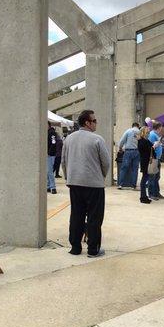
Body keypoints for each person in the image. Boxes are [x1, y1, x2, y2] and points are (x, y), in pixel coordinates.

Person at [62, 110, 110, 258]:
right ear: (87, 123)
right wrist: (101, 176)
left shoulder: (69, 139)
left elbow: (64, 161)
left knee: (76, 215)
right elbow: (106, 162)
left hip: (74, 183)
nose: (96, 123)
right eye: (94, 121)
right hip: (93, 184)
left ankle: (75, 247)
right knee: (94, 217)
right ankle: (93, 249)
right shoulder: (97, 139)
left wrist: (68, 177)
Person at [117, 122, 140, 189]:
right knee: (135, 169)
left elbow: (122, 141)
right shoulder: (140, 132)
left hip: (128, 151)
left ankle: (120, 184)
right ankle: (133, 185)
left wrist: (120, 148)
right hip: (137, 152)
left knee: (124, 168)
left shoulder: (128, 131)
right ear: (138, 126)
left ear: (132, 126)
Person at [148, 121, 164, 200]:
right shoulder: (152, 135)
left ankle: (156, 192)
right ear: (158, 127)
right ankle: (151, 194)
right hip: (154, 159)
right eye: (161, 127)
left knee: (157, 177)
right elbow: (151, 146)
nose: (161, 129)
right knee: (152, 177)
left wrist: (161, 144)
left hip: (157, 158)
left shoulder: (155, 134)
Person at [137, 126, 153, 204]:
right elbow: (145, 150)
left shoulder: (146, 140)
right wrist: (153, 147)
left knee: (146, 178)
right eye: (147, 132)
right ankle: (143, 197)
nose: (148, 134)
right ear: (143, 133)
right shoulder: (142, 141)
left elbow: (150, 147)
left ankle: (144, 196)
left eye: (149, 132)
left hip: (147, 161)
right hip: (145, 162)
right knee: (144, 179)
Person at [47, 122, 58, 194]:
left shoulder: (52, 133)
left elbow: (53, 143)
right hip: (49, 154)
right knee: (47, 171)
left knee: (49, 171)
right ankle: (48, 186)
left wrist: (49, 152)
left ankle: (53, 187)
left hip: (50, 155)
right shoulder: (48, 132)